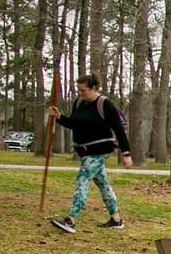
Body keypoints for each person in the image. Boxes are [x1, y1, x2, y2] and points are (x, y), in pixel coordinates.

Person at [47, 72, 132, 233]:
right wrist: (59, 117)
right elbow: (74, 123)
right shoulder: (79, 103)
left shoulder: (105, 104)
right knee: (102, 183)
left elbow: (119, 130)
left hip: (100, 151)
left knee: (83, 179)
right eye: (78, 91)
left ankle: (71, 220)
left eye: (83, 91)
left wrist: (126, 153)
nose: (80, 94)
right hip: (84, 152)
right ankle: (116, 219)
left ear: (94, 88)